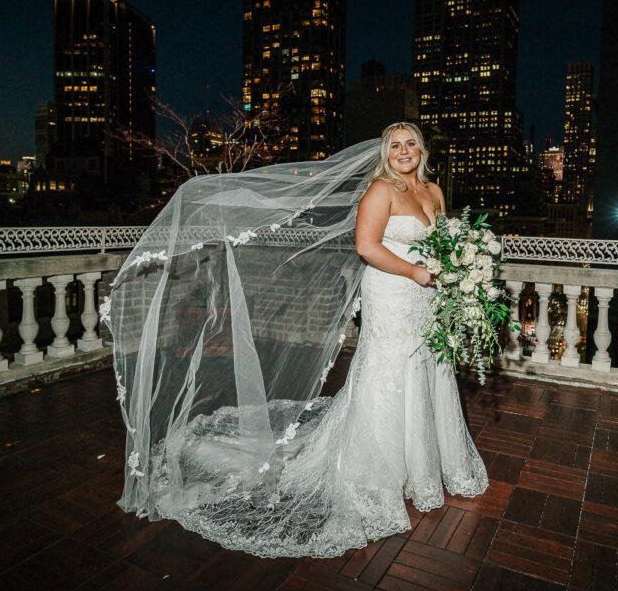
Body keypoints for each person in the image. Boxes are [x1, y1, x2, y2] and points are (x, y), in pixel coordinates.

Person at [104, 122, 487, 558]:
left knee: (426, 365)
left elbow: (439, 241)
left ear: (422, 149)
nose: (403, 151)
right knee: (389, 371)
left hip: (426, 298)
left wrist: (454, 267)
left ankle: (423, 462)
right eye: (395, 146)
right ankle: (378, 469)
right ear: (386, 153)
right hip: (393, 292)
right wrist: (416, 272)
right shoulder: (381, 190)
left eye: (410, 144)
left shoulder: (434, 192)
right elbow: (366, 246)